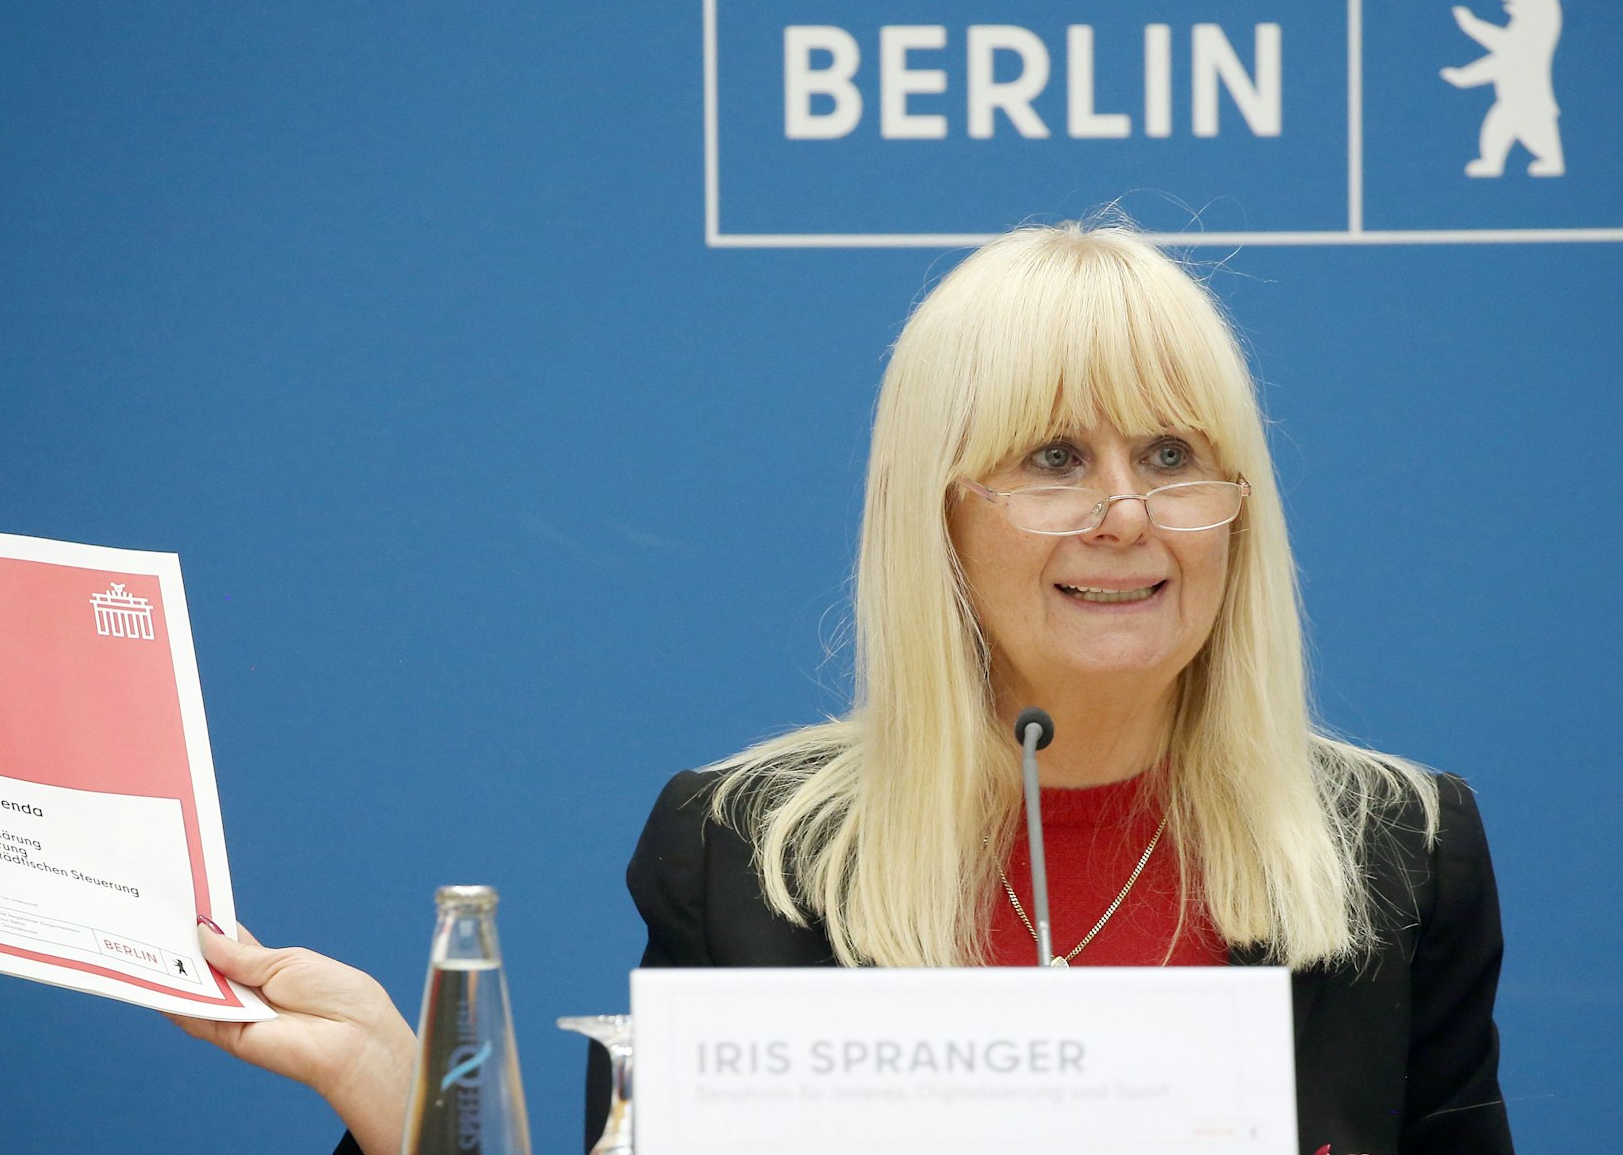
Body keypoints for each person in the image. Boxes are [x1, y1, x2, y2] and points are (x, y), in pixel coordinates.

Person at [176, 221, 1514, 1155]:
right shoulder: (744, 851)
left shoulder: (1402, 851)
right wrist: (412, 1111)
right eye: (1054, 458)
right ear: (937, 515)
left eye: (1172, 454)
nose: (1125, 513)